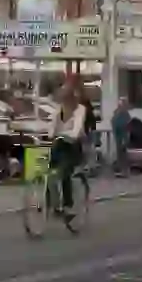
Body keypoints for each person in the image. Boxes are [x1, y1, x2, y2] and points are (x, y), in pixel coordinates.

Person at [50, 87, 86, 216]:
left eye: (66, 99)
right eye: (62, 100)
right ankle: (52, 203)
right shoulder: (58, 110)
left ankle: (68, 205)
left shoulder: (80, 110)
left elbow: (77, 127)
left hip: (73, 146)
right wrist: (49, 134)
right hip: (59, 144)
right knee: (48, 172)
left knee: (65, 173)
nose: (64, 103)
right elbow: (52, 127)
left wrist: (70, 134)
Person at [111, 98, 132, 178]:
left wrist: (126, 137)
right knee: (120, 153)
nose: (119, 106)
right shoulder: (118, 113)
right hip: (118, 135)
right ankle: (121, 170)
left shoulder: (125, 115)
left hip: (123, 136)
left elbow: (127, 126)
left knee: (123, 154)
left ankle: (124, 171)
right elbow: (113, 122)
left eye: (121, 104)